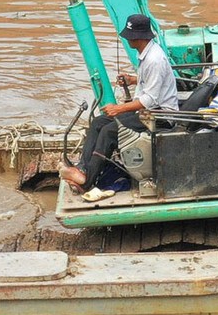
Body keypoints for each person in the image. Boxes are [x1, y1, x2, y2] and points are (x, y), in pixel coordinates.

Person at [60, 13, 178, 194]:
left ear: (137, 37)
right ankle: (82, 168)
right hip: (148, 112)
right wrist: (132, 79)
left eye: (129, 36)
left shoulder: (154, 59)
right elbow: (150, 82)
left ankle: (85, 182)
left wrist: (119, 108)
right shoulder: (146, 54)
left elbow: (150, 100)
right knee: (99, 122)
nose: (127, 39)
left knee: (109, 131)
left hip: (159, 115)